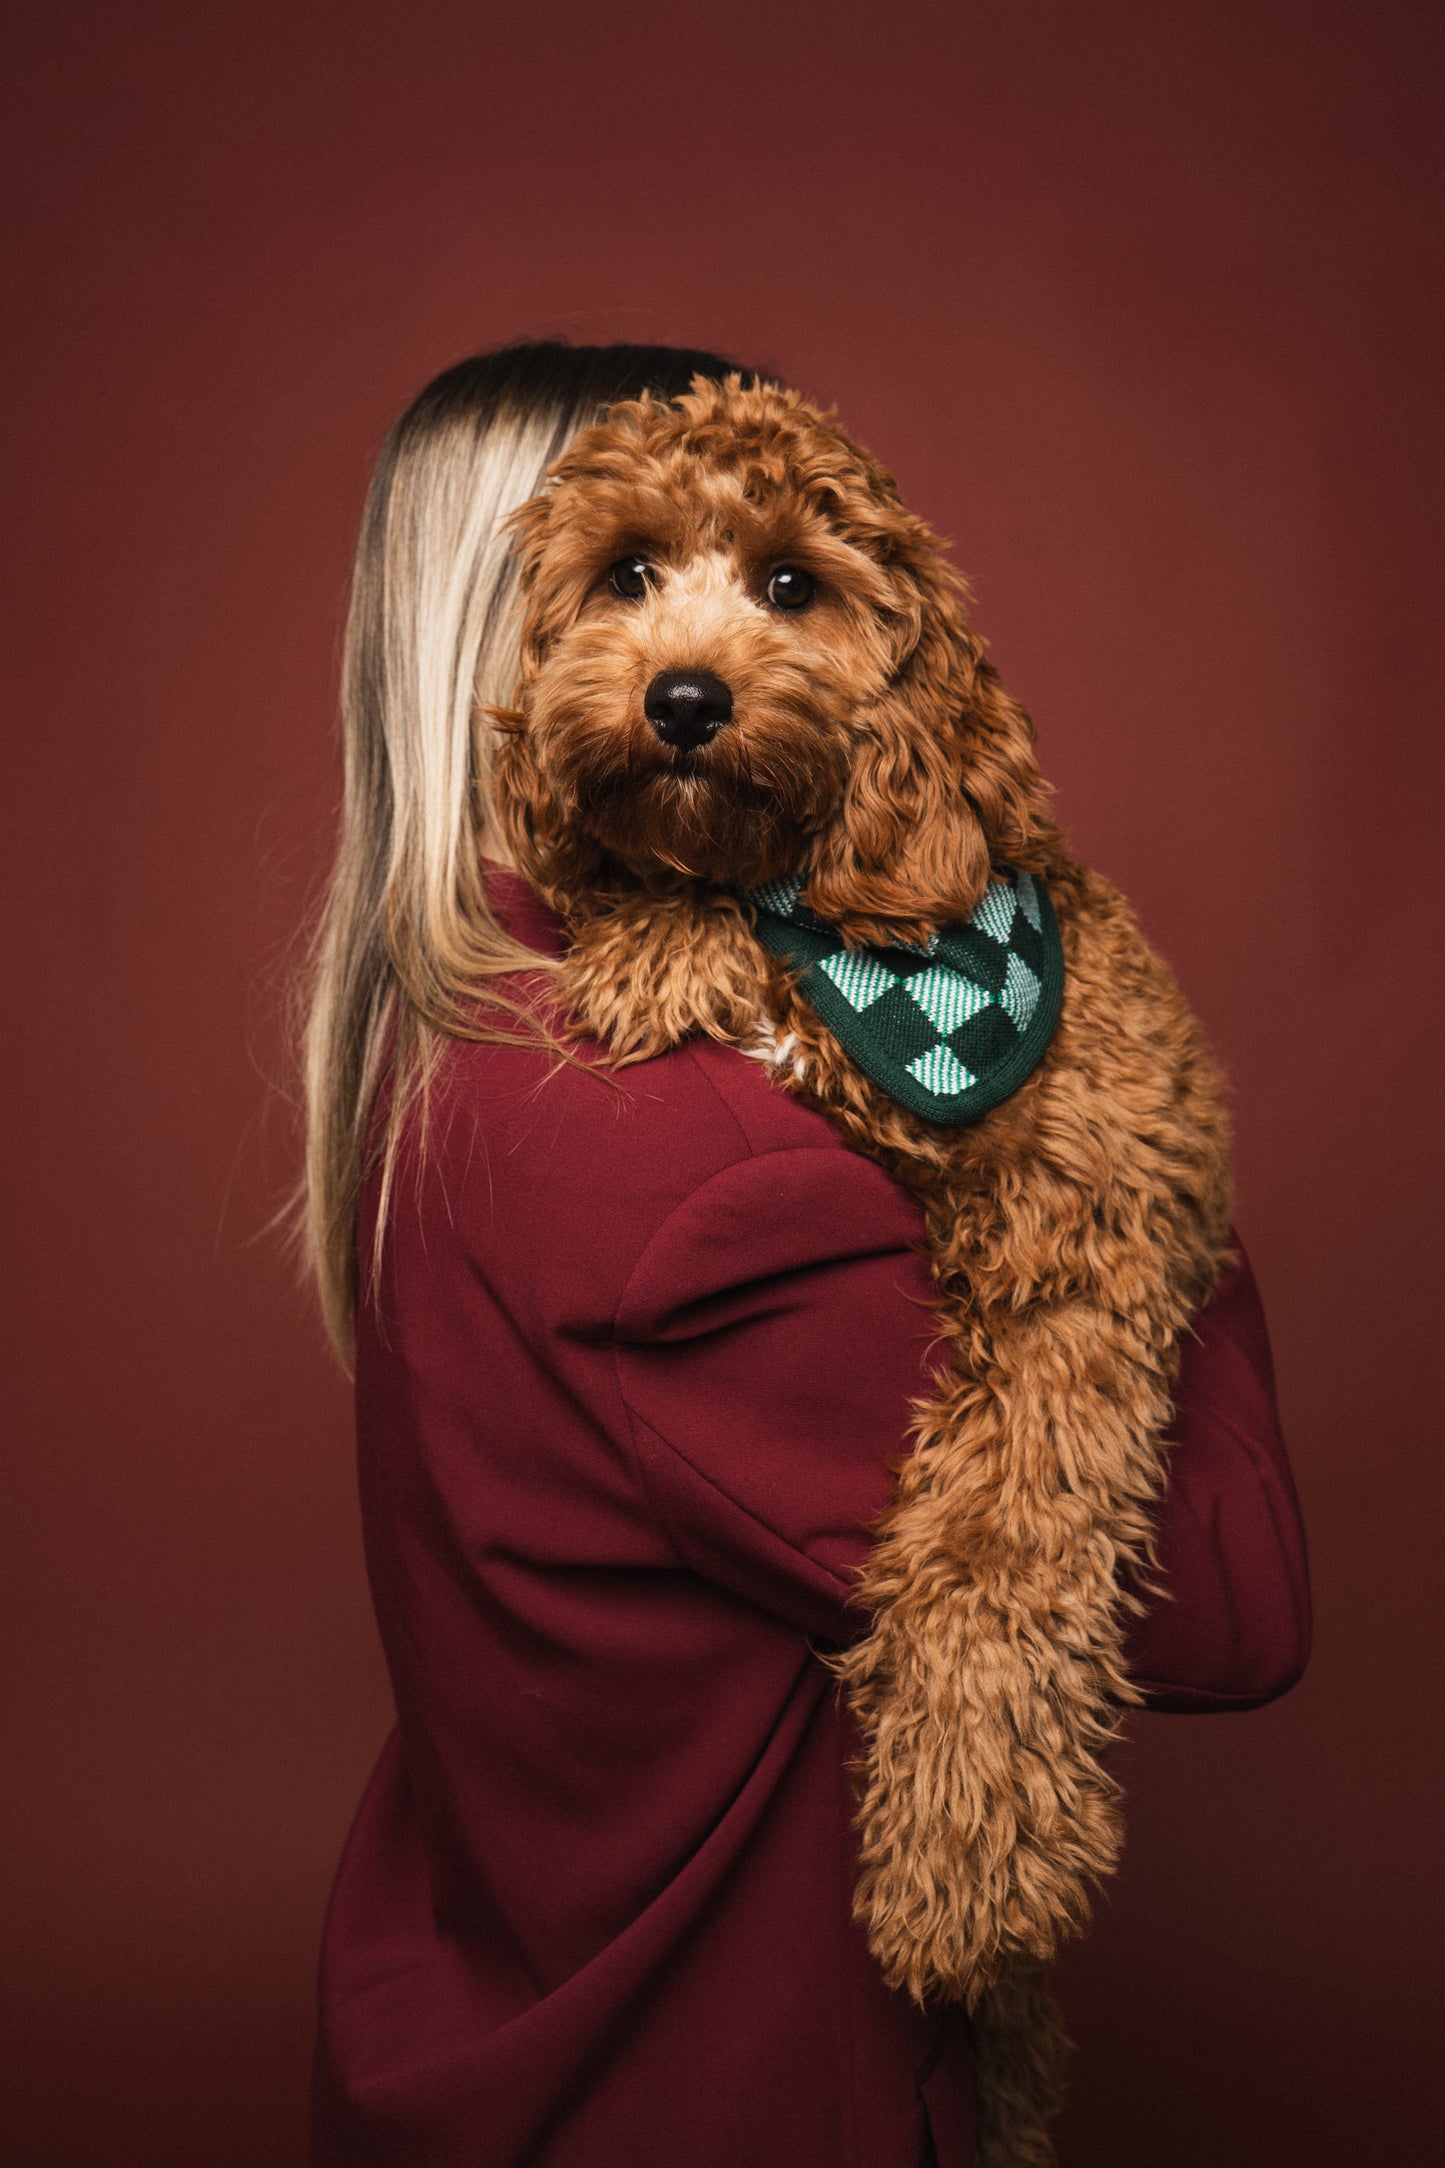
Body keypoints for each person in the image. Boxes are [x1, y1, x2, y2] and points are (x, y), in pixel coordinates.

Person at [300, 341, 1310, 2168]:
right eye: (623, 572)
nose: (698, 651)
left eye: (782, 587)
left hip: (477, 2025)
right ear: (499, 640)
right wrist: (1139, 1138)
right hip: (729, 2097)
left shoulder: (447, 1063)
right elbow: (1234, 1603)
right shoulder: (680, 1160)